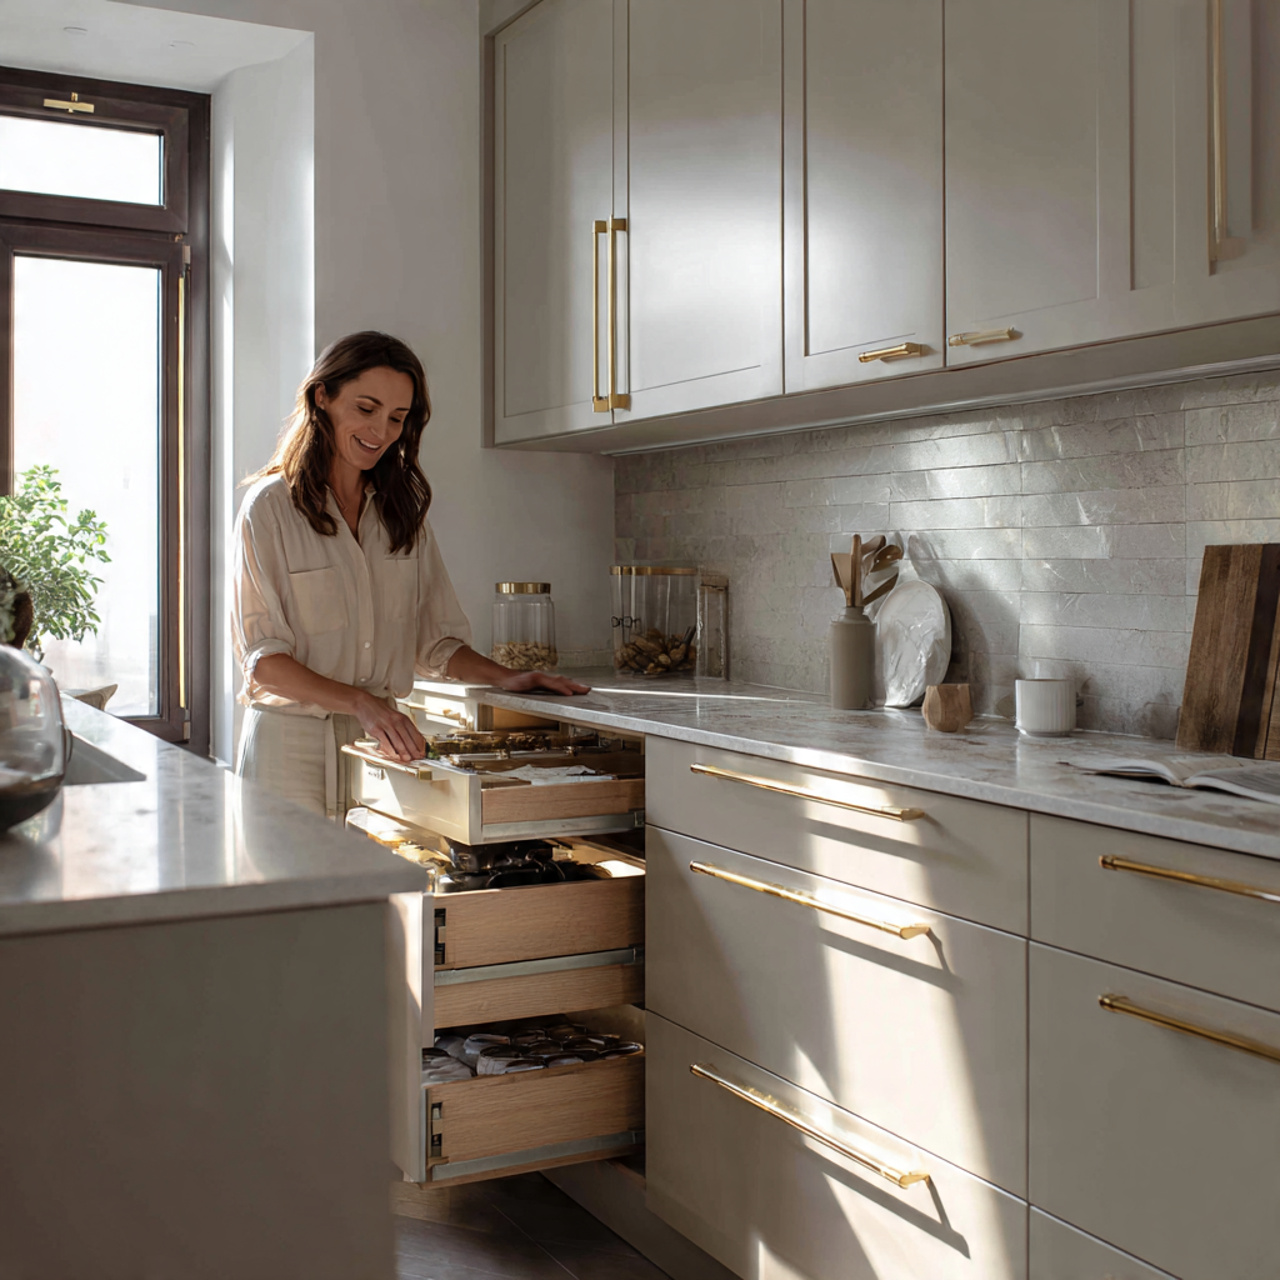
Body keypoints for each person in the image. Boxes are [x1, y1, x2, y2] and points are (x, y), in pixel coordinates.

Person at [231, 331, 588, 817]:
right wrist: (361, 703)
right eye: (366, 408)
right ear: (322, 397)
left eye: (397, 418)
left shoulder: (401, 515)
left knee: (386, 869)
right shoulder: (269, 509)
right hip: (287, 751)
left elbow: (436, 642)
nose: (381, 431)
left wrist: (508, 677)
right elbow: (263, 662)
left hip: (382, 745)